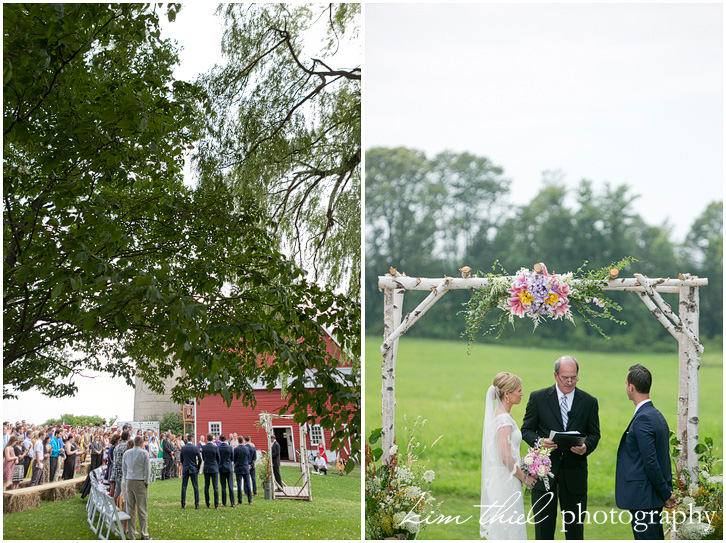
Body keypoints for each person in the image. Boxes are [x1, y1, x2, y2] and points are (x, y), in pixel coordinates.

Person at [521, 356, 601, 540]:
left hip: (575, 474)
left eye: (574, 377)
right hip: (544, 473)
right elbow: (526, 430)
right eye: (565, 377)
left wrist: (586, 447)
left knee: (575, 532)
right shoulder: (538, 398)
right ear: (556, 375)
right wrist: (540, 442)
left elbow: (595, 434)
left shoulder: (589, 401)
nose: (570, 381)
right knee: (543, 531)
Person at [616, 364, 676, 539]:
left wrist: (665, 493)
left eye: (626, 383)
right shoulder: (656, 415)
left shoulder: (643, 419)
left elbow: (651, 462)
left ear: (631, 387)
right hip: (651, 497)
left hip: (644, 498)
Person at [479, 372, 536, 539]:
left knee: (508, 528)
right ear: (507, 394)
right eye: (519, 390)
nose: (522, 394)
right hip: (506, 482)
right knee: (508, 530)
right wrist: (525, 478)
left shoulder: (501, 416)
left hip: (504, 479)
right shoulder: (503, 419)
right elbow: (505, 456)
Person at [122, 436, 151, 540]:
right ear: (142, 442)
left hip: (129, 480)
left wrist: (126, 480)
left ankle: (131, 535)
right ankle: (144, 534)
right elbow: (147, 469)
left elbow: (124, 468)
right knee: (142, 508)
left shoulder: (127, 453)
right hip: (139, 480)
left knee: (130, 508)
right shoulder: (144, 453)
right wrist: (147, 481)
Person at [180, 434, 202, 509]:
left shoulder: (183, 448)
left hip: (186, 468)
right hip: (193, 468)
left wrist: (184, 464)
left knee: (184, 486)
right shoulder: (195, 448)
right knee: (195, 487)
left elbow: (181, 459)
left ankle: (183, 504)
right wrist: (197, 468)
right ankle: (197, 504)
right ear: (192, 439)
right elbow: (200, 459)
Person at [201, 432, 221, 509]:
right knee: (215, 486)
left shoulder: (204, 447)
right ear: (212, 438)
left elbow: (203, 457)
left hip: (207, 467)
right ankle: (216, 504)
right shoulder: (215, 447)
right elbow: (218, 458)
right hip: (214, 467)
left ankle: (207, 503)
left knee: (207, 486)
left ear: (207, 438)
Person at [217, 434, 236, 507]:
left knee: (223, 486)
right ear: (225, 439)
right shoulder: (229, 447)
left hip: (221, 467)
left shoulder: (218, 447)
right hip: (228, 467)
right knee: (230, 485)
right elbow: (232, 457)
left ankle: (224, 502)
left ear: (220, 439)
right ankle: (232, 502)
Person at [113, 431, 130, 510]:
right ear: (128, 437)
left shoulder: (117, 446)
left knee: (117, 491)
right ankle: (123, 513)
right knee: (125, 494)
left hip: (116, 470)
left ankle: (115, 510)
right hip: (124, 472)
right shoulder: (128, 446)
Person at [234, 436, 253, 505]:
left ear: (238, 441)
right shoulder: (246, 449)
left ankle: (240, 500)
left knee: (239, 485)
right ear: (243, 441)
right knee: (248, 484)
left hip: (238, 468)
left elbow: (234, 459)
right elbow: (248, 458)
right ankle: (250, 500)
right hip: (245, 467)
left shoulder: (236, 449)